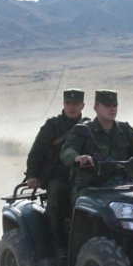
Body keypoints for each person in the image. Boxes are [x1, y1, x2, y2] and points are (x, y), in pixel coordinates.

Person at [24, 88, 89, 256]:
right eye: (68, 103)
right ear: (63, 104)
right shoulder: (52, 126)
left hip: (84, 177)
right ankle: (59, 244)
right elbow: (37, 152)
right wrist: (32, 175)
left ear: (82, 105)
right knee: (58, 194)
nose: (72, 107)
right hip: (58, 176)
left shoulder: (89, 125)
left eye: (76, 104)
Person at [60, 89, 133, 204]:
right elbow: (67, 150)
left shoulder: (125, 130)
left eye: (114, 106)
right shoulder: (83, 130)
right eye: (107, 105)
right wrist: (78, 158)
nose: (112, 109)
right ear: (96, 107)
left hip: (123, 184)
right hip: (91, 187)